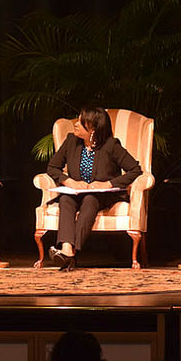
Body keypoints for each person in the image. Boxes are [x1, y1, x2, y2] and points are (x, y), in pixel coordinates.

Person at [46, 106, 142, 271]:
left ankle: (70, 253)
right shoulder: (71, 141)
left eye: (81, 122)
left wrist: (108, 184)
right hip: (75, 192)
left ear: (93, 130)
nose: (75, 124)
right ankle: (66, 249)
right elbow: (52, 167)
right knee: (65, 199)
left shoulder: (111, 145)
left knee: (90, 200)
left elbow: (135, 170)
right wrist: (68, 181)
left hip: (101, 195)